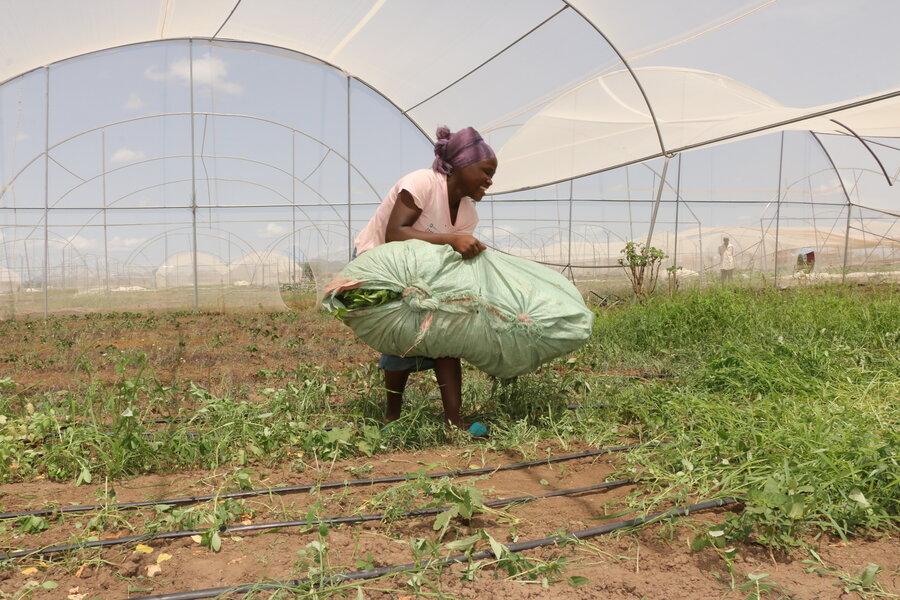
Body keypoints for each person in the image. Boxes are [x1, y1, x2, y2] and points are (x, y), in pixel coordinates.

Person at [353, 125, 497, 430]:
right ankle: (392, 416)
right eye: (485, 171)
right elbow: (395, 234)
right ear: (461, 166)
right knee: (403, 333)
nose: (490, 180)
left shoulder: (468, 214)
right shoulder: (422, 183)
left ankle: (454, 421)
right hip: (377, 263)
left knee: (446, 331)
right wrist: (451, 240)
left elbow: (449, 259)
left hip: (421, 270)